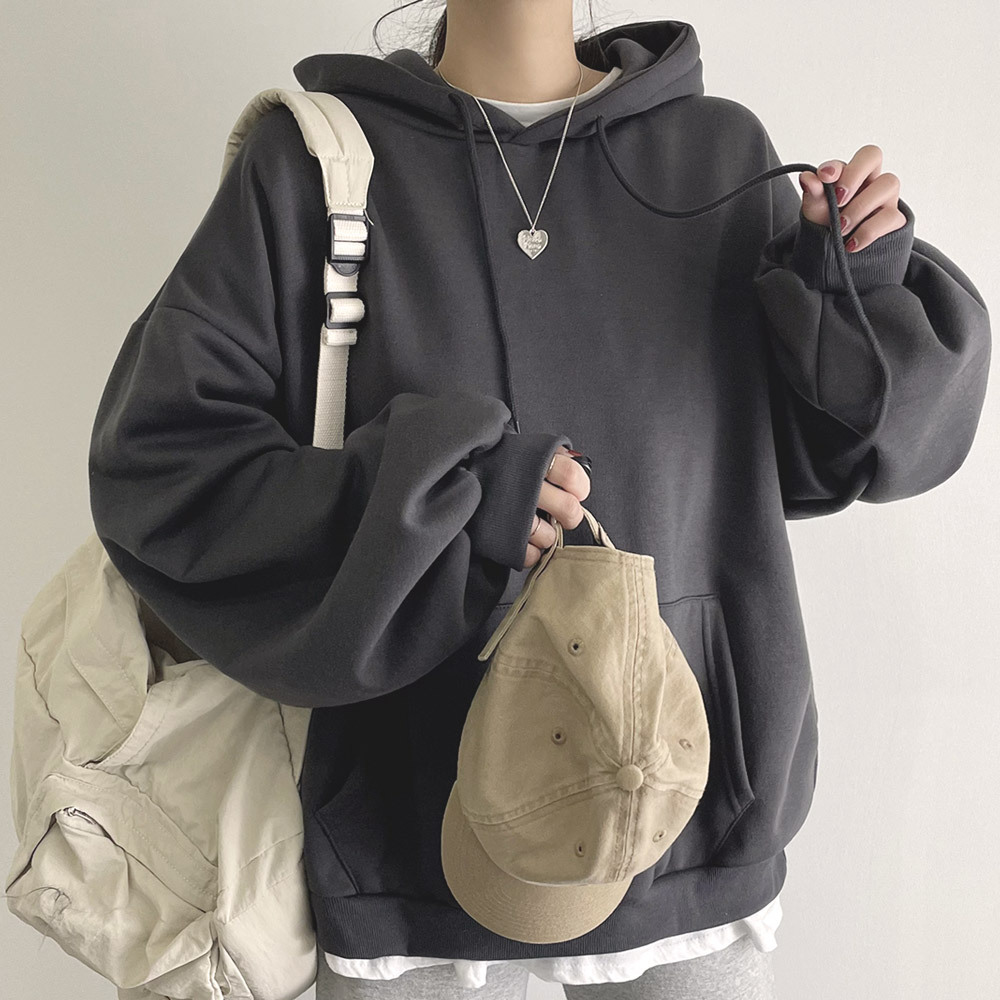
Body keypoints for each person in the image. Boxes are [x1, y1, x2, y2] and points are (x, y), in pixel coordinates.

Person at [87, 1, 991, 998]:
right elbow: (165, 470)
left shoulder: (716, 155)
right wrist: (447, 500)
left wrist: (854, 283)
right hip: (408, 835)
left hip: (682, 820)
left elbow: (839, 453)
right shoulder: (316, 164)